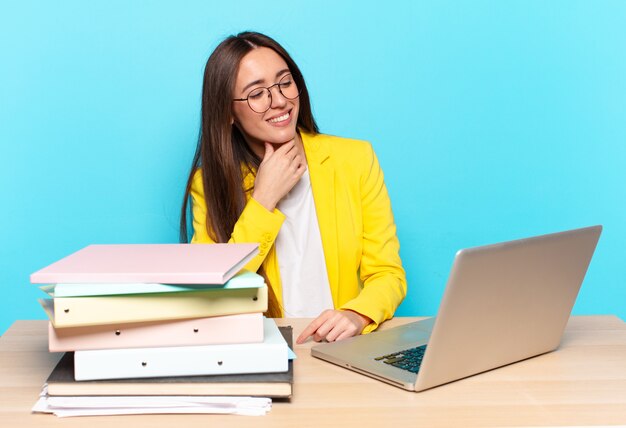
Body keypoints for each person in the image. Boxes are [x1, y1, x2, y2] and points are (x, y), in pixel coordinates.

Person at [180, 31, 406, 344]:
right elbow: (210, 298)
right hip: (261, 351)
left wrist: (359, 314)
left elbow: (387, 273)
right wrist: (262, 201)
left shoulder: (354, 160)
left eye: (285, 82)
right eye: (257, 94)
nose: (281, 101)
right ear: (229, 112)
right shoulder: (208, 185)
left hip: (342, 349)